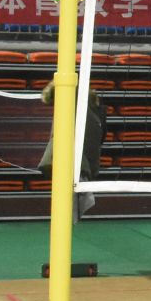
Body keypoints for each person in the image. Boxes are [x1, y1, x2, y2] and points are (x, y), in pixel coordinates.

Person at [38, 80, 107, 216]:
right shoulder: (91, 108)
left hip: (74, 157)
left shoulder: (70, 102)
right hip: (81, 157)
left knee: (71, 192)